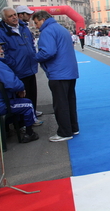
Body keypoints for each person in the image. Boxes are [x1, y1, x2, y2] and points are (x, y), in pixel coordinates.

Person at [32, 10, 79, 142]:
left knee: (60, 104)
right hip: (69, 71)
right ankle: (73, 127)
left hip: (58, 72)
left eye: (36, 23)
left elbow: (48, 52)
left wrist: (35, 57)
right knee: (70, 101)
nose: (36, 26)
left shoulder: (47, 31)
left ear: (42, 20)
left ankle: (64, 132)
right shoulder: (61, 29)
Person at [0, 7, 43, 122]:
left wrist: (33, 55)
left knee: (32, 93)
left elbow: (31, 43)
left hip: (30, 67)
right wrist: (13, 64)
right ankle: (25, 122)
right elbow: (3, 52)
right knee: (21, 94)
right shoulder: (0, 31)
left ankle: (33, 112)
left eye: (14, 15)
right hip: (17, 70)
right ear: (5, 19)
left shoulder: (24, 27)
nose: (14, 17)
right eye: (10, 16)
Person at [0, 41, 39, 143]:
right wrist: (21, 88)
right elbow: (11, 82)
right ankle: (29, 133)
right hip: (0, 104)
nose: (2, 50)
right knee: (28, 104)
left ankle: (6, 130)